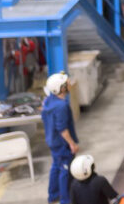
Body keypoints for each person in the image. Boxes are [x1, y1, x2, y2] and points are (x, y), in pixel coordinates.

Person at [42, 72, 78, 204]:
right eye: (66, 83)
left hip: (52, 141)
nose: (69, 84)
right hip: (62, 143)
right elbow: (62, 129)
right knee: (65, 170)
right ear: (61, 88)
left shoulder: (48, 100)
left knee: (56, 167)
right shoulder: (61, 106)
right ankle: (65, 200)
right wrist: (72, 144)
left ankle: (53, 196)